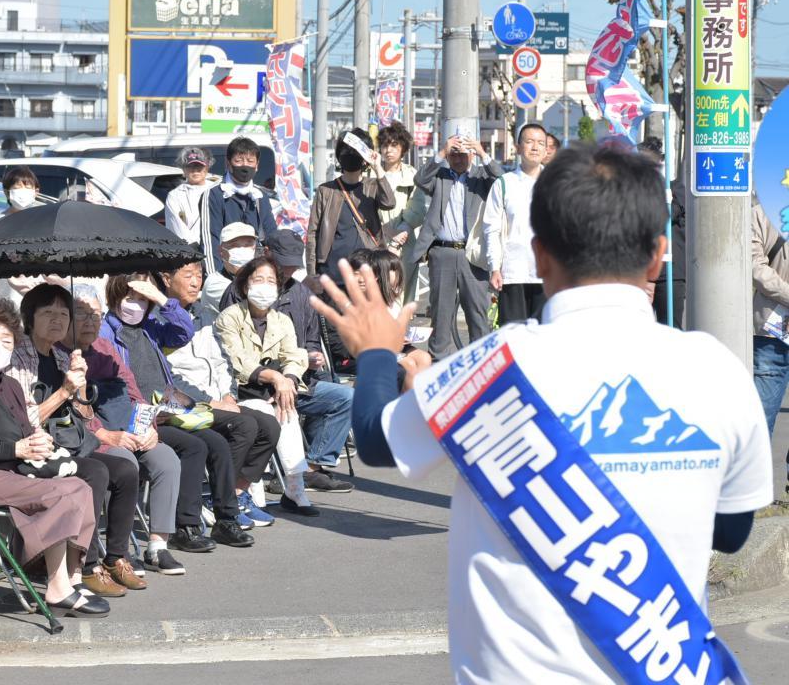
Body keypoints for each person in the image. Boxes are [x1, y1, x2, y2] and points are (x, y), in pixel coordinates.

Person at [315, 144, 772, 683]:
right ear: (657, 255)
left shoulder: (490, 367)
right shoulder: (716, 370)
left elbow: (373, 438)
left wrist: (373, 352)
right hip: (665, 664)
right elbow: (732, 531)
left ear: (539, 254)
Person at [0, 299, 108, 617]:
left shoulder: (11, 385)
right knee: (59, 492)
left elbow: (26, 428)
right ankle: (58, 590)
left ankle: (69, 578)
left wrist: (38, 441)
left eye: (6, 341)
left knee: (79, 487)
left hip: (16, 471)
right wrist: (16, 449)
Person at [7, 284, 152, 590]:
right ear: (30, 318)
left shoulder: (62, 359)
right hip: (35, 447)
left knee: (125, 470)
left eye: (62, 313)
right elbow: (23, 421)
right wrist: (64, 391)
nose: (57, 320)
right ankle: (86, 564)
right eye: (48, 313)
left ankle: (115, 557)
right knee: (96, 472)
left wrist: (80, 386)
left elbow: (83, 418)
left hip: (68, 443)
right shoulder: (19, 357)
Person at [100, 274, 255, 547]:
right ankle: (186, 526)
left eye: (141, 299)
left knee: (218, 443)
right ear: (114, 299)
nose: (136, 305)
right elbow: (114, 387)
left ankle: (226, 520)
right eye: (129, 298)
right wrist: (148, 413)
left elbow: (184, 331)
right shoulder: (106, 332)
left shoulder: (149, 326)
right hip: (141, 418)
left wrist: (160, 298)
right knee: (193, 446)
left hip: (170, 407)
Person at [62, 286, 214, 564]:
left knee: (166, 458)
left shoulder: (105, 347)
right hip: (95, 437)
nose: (90, 322)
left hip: (128, 427)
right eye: (82, 314)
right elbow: (72, 411)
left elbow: (133, 391)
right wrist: (105, 434)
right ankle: (116, 552)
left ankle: (158, 546)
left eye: (96, 315)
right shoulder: (62, 355)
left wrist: (149, 427)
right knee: (123, 463)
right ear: (67, 319)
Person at [221, 232, 356, 493]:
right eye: (283, 263)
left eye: (293, 264)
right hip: (252, 385)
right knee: (276, 409)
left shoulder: (301, 292)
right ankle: (281, 477)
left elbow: (310, 341)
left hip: (297, 380)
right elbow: (233, 355)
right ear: (267, 253)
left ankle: (313, 467)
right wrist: (274, 379)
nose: (288, 269)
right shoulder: (237, 293)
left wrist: (307, 362)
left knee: (344, 397)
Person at [160, 260, 281, 526]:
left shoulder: (206, 315)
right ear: (167, 279)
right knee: (245, 426)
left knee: (269, 426)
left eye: (199, 275)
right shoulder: (157, 322)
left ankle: (236, 494)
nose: (195, 282)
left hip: (219, 398)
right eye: (188, 275)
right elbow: (168, 377)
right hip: (186, 404)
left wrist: (228, 394)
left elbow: (224, 360)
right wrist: (209, 401)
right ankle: (216, 499)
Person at [215, 257, 334, 515]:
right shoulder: (230, 317)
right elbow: (237, 360)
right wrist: (275, 378)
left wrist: (288, 381)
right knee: (266, 413)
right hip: (240, 390)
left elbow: (296, 356)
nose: (265, 286)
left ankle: (294, 488)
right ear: (246, 286)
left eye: (271, 281)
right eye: (259, 280)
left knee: (287, 408)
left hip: (274, 390)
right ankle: (252, 491)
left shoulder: (281, 320)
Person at [410, 132, 504, 359]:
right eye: (454, 154)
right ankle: (438, 361)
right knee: (441, 314)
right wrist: (442, 152)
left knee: (477, 313)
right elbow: (420, 179)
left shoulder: (482, 178)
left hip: (473, 254)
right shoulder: (440, 176)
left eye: (464, 154)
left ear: (471, 154)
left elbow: (502, 179)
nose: (459, 159)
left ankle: (480, 361)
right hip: (442, 251)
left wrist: (482, 153)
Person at [305, 128, 396, 280]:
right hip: (332, 270)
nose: (350, 155)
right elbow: (312, 233)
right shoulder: (326, 190)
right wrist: (312, 273)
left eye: (355, 152)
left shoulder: (372, 186)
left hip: (367, 270)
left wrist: (378, 167)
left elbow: (389, 202)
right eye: (346, 151)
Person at [484, 122, 546, 325]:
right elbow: (491, 229)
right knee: (513, 338)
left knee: (543, 338)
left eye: (540, 143)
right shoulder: (504, 183)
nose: (535, 147)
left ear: (546, 149)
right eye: (529, 142)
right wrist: (495, 267)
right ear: (518, 147)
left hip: (547, 274)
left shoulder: (556, 183)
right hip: (512, 273)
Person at [0, 166, 58, 306]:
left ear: (36, 191)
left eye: (27, 187)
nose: (22, 192)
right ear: (7, 192)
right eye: (17, 188)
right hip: (6, 298)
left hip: (40, 296)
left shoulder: (45, 220)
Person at [200, 137, 278, 276]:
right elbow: (210, 240)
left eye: (250, 161)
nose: (245, 165)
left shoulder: (260, 196)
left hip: (255, 272)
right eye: (239, 160)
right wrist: (215, 278)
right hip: (226, 270)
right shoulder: (214, 194)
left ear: (257, 165)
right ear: (228, 163)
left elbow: (272, 236)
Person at [751, 196, 789, 474]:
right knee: (761, 417)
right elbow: (755, 267)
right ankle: (753, 490)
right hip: (773, 335)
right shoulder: (760, 211)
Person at [640, 137, 686, 328]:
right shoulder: (630, 191)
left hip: (671, 273)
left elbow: (668, 214)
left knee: (671, 329)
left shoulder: (675, 189)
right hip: (638, 272)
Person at [377, 122, 425, 304]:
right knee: (379, 295)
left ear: (403, 149)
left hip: (406, 244)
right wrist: (386, 231)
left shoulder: (412, 175)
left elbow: (418, 207)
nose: (388, 150)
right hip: (377, 242)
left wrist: (401, 232)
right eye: (384, 145)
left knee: (403, 295)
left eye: (394, 145)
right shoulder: (371, 175)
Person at [200, 222, 257, 321]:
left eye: (248, 244)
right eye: (235, 245)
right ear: (221, 251)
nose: (242, 250)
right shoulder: (214, 283)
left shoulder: (260, 275)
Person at [165, 147, 219, 243]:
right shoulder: (175, 196)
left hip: (218, 248)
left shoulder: (218, 189)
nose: (195, 170)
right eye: (190, 166)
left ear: (206, 168)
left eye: (199, 166)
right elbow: (176, 227)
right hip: (191, 251)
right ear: (184, 170)